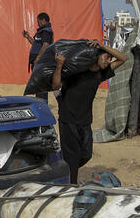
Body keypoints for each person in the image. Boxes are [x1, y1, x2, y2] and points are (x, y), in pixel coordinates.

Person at [52, 41, 128, 184]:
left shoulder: (101, 74)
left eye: (109, 59)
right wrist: (59, 66)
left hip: (85, 121)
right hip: (68, 120)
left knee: (86, 154)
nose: (108, 61)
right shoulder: (77, 71)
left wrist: (104, 47)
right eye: (106, 57)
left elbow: (124, 58)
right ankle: (72, 184)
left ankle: (64, 168)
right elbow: (56, 85)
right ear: (96, 56)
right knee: (72, 157)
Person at [23, 12, 54, 101]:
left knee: (41, 83)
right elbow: (35, 44)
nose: (37, 23)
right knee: (38, 83)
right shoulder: (41, 32)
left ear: (43, 20)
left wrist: (38, 58)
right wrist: (27, 36)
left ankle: (42, 103)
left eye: (38, 21)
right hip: (38, 61)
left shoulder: (46, 31)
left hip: (41, 62)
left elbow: (45, 45)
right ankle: (40, 101)